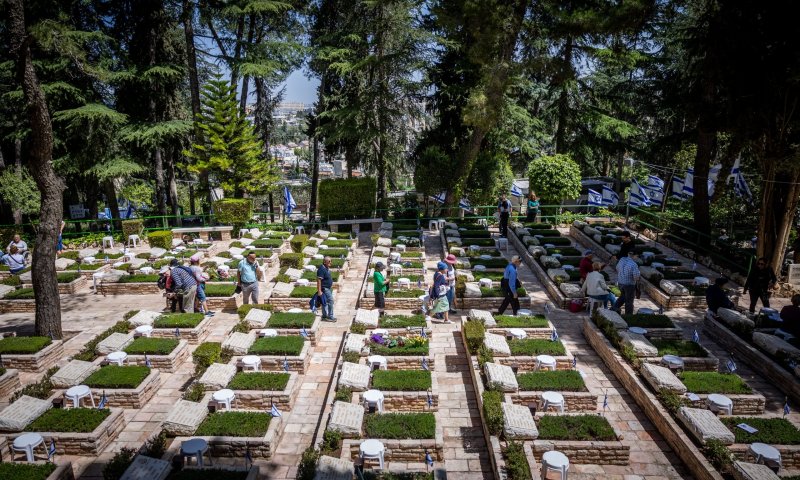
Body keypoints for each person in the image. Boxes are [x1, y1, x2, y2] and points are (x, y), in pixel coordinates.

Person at [613, 251, 640, 315]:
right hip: (629, 285)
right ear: (635, 256)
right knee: (629, 302)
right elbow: (636, 277)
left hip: (620, 283)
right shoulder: (634, 264)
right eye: (637, 256)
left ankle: (613, 309)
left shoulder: (622, 260)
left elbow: (617, 268)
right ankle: (628, 317)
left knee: (622, 298)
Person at [317, 256, 336, 320]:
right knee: (331, 301)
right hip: (325, 288)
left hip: (327, 288)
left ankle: (324, 315)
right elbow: (319, 280)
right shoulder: (321, 269)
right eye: (329, 261)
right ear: (325, 262)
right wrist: (319, 291)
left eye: (331, 261)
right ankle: (330, 316)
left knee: (324, 302)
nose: (331, 262)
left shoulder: (326, 267)